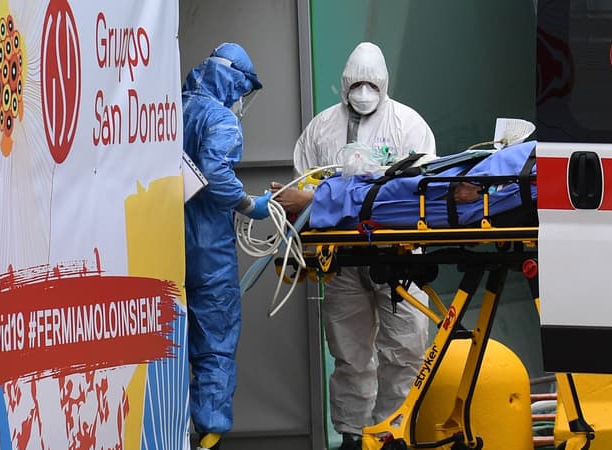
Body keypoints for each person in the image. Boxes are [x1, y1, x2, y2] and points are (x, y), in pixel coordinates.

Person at [272, 42, 435, 450]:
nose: (363, 91)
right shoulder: (321, 128)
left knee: (405, 350)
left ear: (383, 83)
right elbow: (303, 188)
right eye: (356, 83)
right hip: (342, 260)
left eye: (370, 83)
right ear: (345, 83)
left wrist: (327, 198)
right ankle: (351, 436)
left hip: (397, 257)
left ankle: (394, 433)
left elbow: (416, 192)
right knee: (349, 354)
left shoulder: (407, 125)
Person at [182, 42, 271, 450]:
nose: (241, 102)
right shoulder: (221, 120)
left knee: (163, 340)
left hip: (161, 243)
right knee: (214, 344)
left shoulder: (170, 108)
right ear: (234, 82)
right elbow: (215, 173)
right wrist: (248, 203)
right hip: (208, 250)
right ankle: (210, 436)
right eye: (242, 90)